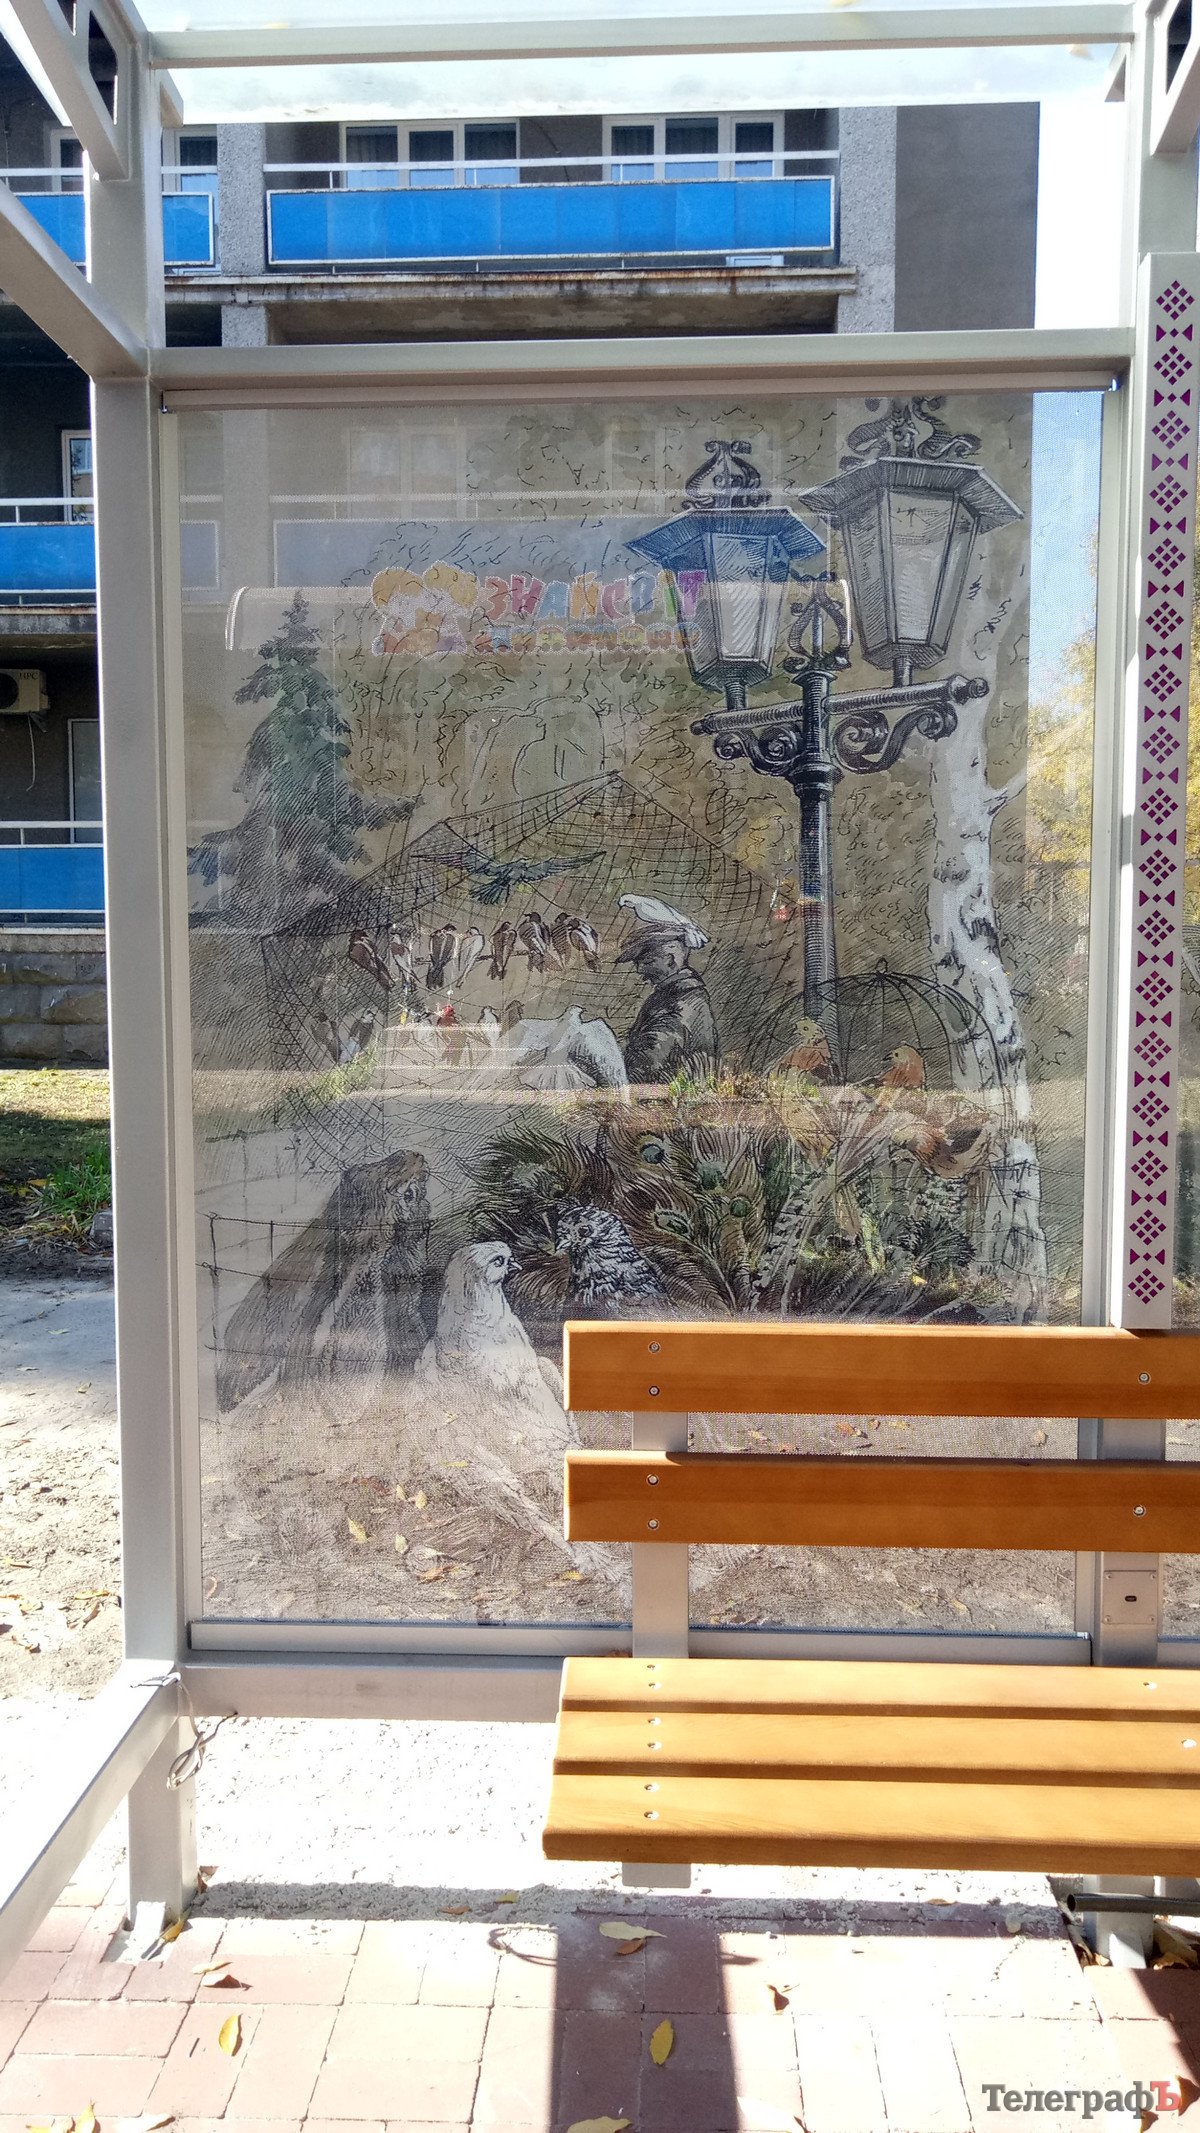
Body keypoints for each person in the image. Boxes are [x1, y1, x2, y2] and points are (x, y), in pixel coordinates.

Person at [616, 894, 719, 1085]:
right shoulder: (674, 996)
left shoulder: (683, 1002)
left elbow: (647, 1064)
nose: (639, 970)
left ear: (671, 959)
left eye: (647, 961)